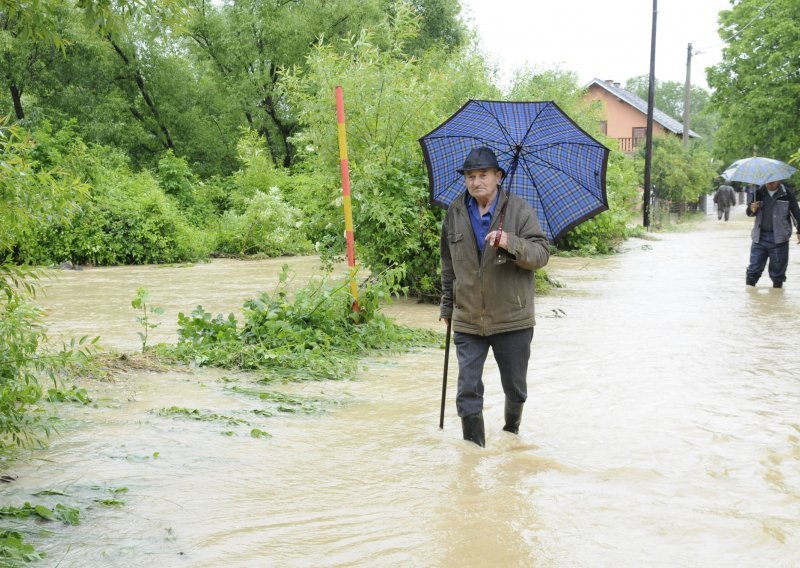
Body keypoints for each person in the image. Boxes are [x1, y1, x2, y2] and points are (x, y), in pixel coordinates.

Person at [439, 147, 550, 447]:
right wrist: (447, 306)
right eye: (470, 176)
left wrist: (510, 242)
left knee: (515, 388)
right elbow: (448, 264)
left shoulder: (519, 210)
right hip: (467, 318)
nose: (476, 182)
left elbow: (541, 255)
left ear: (498, 176)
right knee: (467, 389)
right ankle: (473, 454)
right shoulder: (455, 212)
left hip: (512, 318)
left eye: (483, 175)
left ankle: (510, 434)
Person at [745, 179, 800, 288]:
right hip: (759, 238)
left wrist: (799, 230)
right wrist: (752, 209)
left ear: (779, 180)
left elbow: (796, 213)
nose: (771, 183)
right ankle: (750, 296)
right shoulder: (758, 193)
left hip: (779, 238)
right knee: (753, 269)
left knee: (778, 272)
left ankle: (777, 294)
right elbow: (749, 213)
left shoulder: (787, 193)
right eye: (768, 180)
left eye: (774, 181)